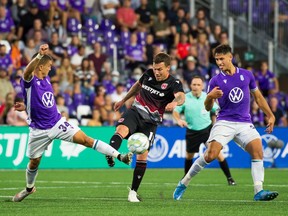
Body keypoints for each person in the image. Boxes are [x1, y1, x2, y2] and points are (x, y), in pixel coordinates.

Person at [12, 44, 132, 202]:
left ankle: (120, 156)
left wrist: (26, 106)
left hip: (57, 123)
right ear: (40, 66)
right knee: (34, 162)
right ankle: (29, 188)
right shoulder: (30, 81)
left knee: (86, 140)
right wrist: (40, 55)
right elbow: (27, 72)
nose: (50, 69)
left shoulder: (46, 79)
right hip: (38, 130)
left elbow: (41, 102)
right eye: (48, 66)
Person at [173, 44, 279, 201]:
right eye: (216, 60)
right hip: (224, 122)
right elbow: (208, 107)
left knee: (258, 152)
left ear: (231, 57)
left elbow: (258, 97)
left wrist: (270, 115)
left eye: (222, 59)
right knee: (210, 155)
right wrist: (210, 96)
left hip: (244, 122)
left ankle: (258, 191)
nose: (219, 62)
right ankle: (183, 182)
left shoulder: (247, 75)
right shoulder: (215, 80)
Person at [105, 52, 185, 202]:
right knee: (121, 130)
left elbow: (181, 96)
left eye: (160, 69)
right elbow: (137, 86)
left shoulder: (174, 83)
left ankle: (133, 193)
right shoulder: (148, 74)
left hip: (150, 123)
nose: (156, 72)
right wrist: (123, 100)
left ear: (168, 68)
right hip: (135, 112)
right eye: (155, 68)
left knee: (142, 155)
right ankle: (110, 153)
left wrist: (175, 103)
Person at [173, 76, 236, 185]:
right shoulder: (185, 98)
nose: (196, 87)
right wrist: (178, 120)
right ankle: (185, 179)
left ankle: (230, 178)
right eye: (194, 84)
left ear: (202, 86)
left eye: (198, 85)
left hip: (207, 130)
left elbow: (217, 109)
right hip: (192, 131)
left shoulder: (207, 97)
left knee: (218, 154)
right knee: (189, 156)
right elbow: (176, 111)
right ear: (190, 85)